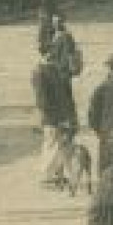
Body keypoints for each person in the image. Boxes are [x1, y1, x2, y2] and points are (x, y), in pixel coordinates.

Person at [32, 45, 78, 188]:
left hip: (60, 115)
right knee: (51, 145)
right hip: (51, 117)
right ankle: (47, 177)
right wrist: (52, 117)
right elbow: (42, 100)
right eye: (51, 54)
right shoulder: (40, 72)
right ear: (44, 55)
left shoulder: (54, 69)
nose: (53, 56)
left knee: (60, 146)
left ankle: (57, 175)